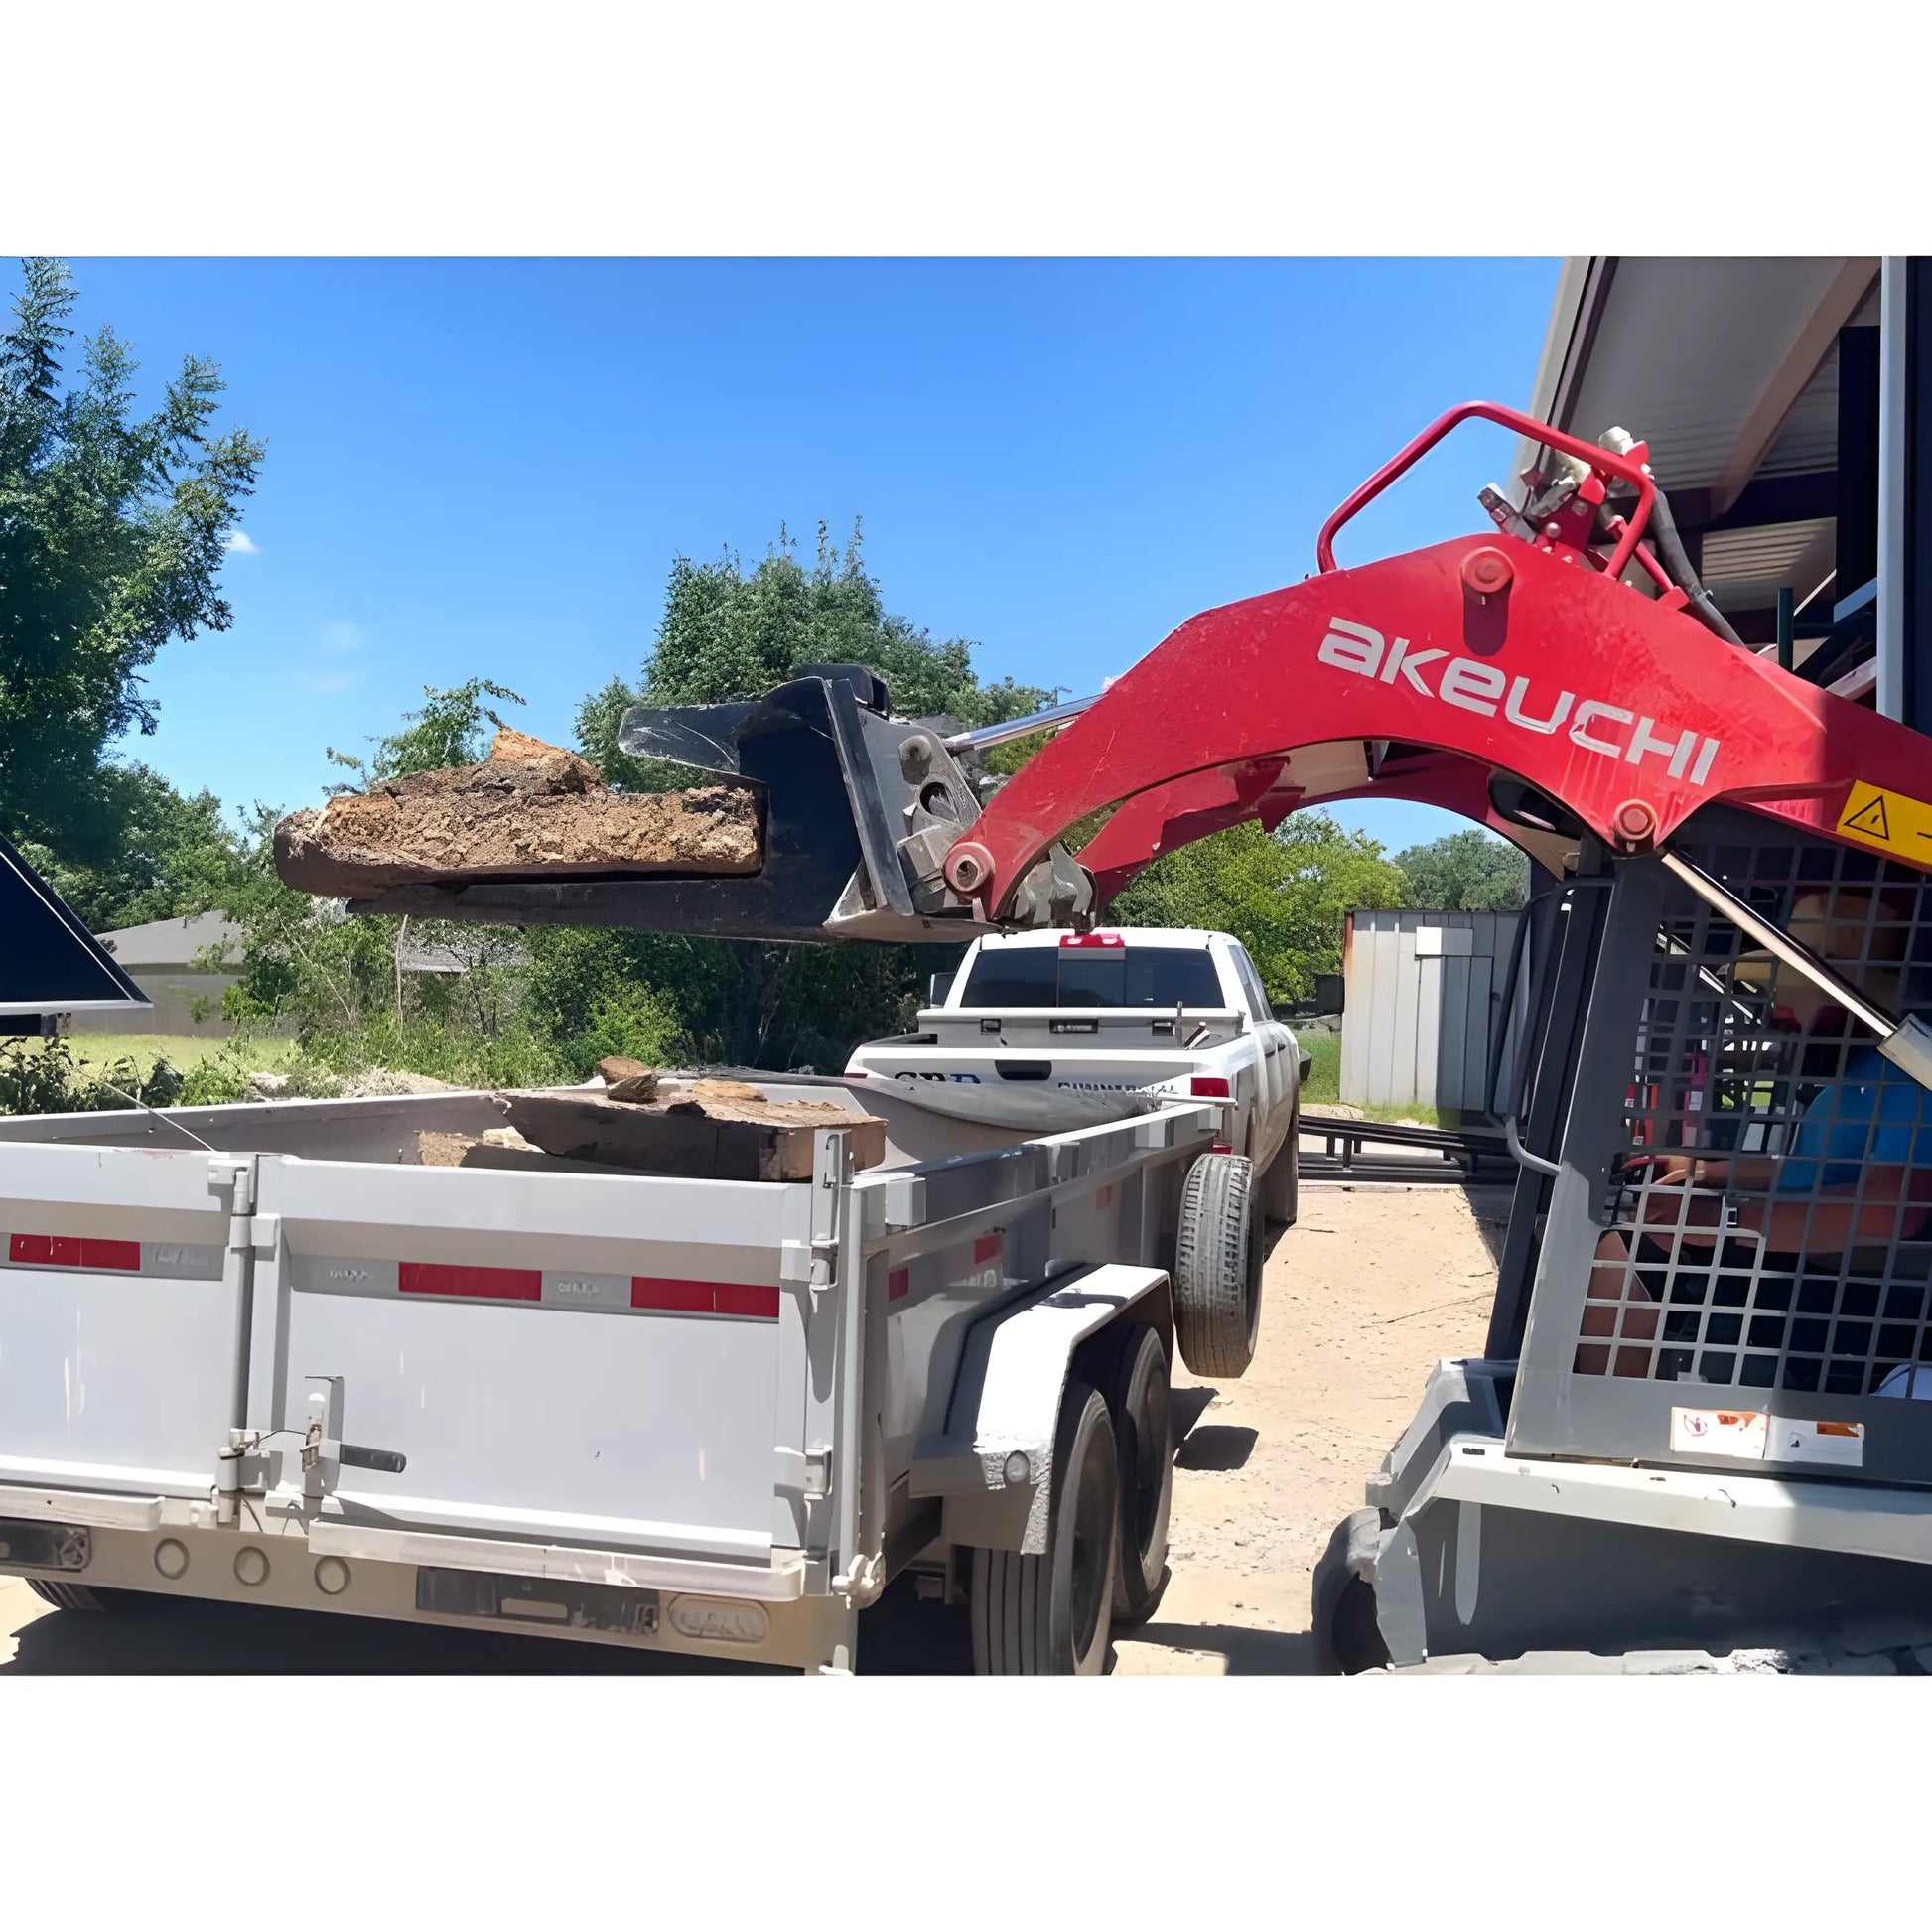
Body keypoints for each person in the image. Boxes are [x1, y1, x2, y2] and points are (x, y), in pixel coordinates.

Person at [1586, 889, 1932, 1387]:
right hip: (1820, 1258)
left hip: (1859, 1291)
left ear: (1843, 992)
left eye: (1789, 985)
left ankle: (1600, 1415)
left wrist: (1725, 1219)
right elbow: (1815, 1172)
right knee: (1656, 1216)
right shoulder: (1861, 1075)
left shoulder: (1910, 1078)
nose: (1776, 1002)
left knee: (1634, 1244)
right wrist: (1706, 1171)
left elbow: (1894, 1209)